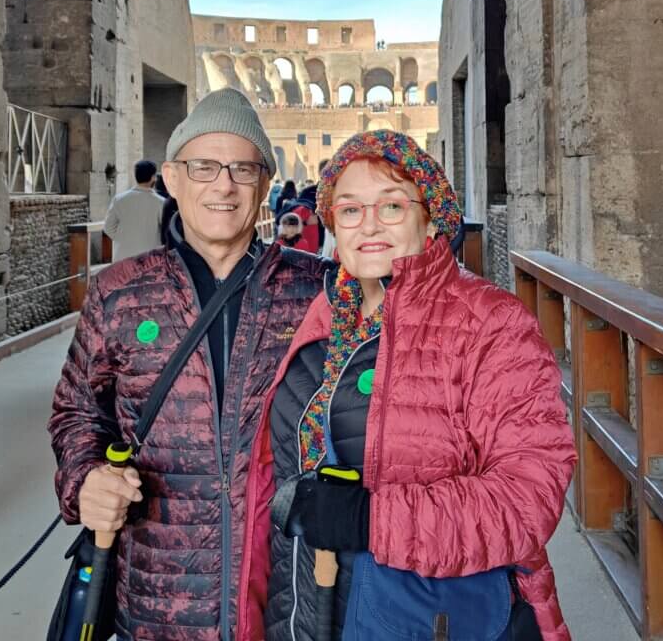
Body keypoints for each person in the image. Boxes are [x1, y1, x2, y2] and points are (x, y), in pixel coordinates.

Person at [237, 130, 577, 641]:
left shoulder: (490, 323)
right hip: (308, 609)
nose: (368, 225)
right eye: (350, 210)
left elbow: (528, 499)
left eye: (391, 206)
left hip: (426, 620)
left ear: (430, 217)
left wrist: (371, 520)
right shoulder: (327, 314)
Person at [49, 89, 328, 641]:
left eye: (242, 168)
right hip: (157, 592)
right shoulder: (119, 293)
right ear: (173, 179)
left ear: (265, 184)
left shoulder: (318, 289)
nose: (223, 185)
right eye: (203, 166)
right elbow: (77, 411)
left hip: (285, 591)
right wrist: (85, 479)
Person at [103, 160, 165, 261]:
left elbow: (108, 227)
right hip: (149, 261)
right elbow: (165, 230)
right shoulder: (160, 202)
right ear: (153, 177)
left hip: (122, 259)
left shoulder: (119, 199)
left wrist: (124, 239)